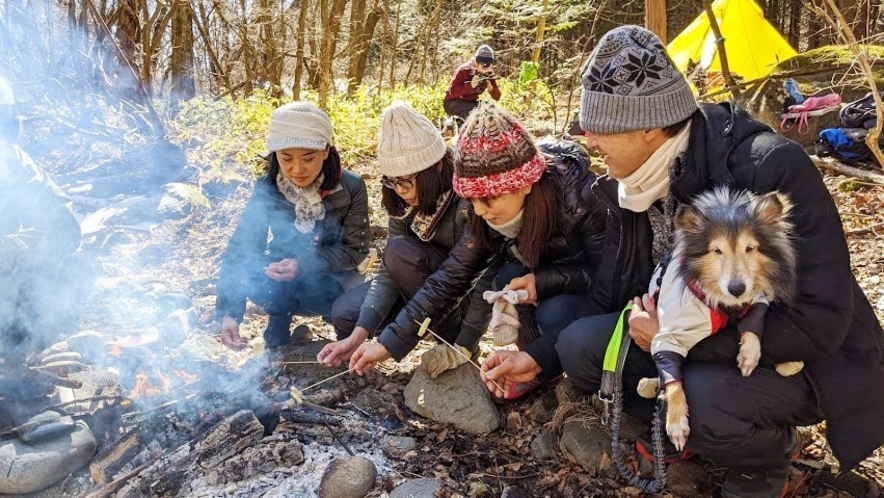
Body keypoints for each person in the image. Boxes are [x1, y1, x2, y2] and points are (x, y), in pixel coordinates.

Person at [535, 25, 883, 498]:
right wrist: (536, 359)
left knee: (700, 399)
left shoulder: (766, 168)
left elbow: (820, 322)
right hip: (684, 327)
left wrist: (673, 342)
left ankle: (767, 454)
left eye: (600, 129)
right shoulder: (635, 183)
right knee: (581, 348)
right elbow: (612, 294)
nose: (589, 142)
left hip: (796, 355)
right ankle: (693, 427)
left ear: (649, 126)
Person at [350, 102, 607, 398]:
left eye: (490, 199)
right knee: (508, 279)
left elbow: (609, 279)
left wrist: (546, 281)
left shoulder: (580, 198)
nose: (480, 211)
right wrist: (388, 344)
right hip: (543, 274)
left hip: (590, 292)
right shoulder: (482, 213)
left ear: (525, 184)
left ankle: (564, 371)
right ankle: (537, 365)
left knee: (553, 311)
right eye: (471, 199)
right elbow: (449, 279)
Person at [317, 102, 494, 370]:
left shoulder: (469, 199)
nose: (401, 191)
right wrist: (360, 334)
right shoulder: (402, 204)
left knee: (401, 253)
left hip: (460, 295)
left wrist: (467, 340)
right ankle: (366, 346)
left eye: (407, 181)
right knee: (346, 314)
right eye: (392, 181)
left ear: (435, 167)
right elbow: (389, 270)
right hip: (418, 288)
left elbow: (472, 277)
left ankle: (452, 342)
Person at [215, 102, 370, 352]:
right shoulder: (267, 188)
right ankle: (278, 323)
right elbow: (243, 247)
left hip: (335, 274)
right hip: (282, 274)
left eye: (308, 158)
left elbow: (356, 250)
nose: (297, 170)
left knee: (321, 294)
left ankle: (343, 330)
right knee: (263, 281)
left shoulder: (351, 187)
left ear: (325, 151)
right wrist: (230, 312)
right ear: (275, 154)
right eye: (286, 158)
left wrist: (304, 264)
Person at [0, 75, 89, 361]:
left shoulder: (18, 162)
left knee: (77, 271)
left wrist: (21, 250)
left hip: (12, 282)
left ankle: (24, 355)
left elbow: (66, 228)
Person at [443, 45, 502, 120]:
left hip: (472, 102)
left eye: (487, 66)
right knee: (472, 114)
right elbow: (452, 92)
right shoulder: (464, 70)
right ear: (476, 61)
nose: (484, 69)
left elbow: (497, 97)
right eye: (482, 65)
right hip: (453, 102)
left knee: (492, 111)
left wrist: (492, 89)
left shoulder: (488, 73)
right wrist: (470, 86)